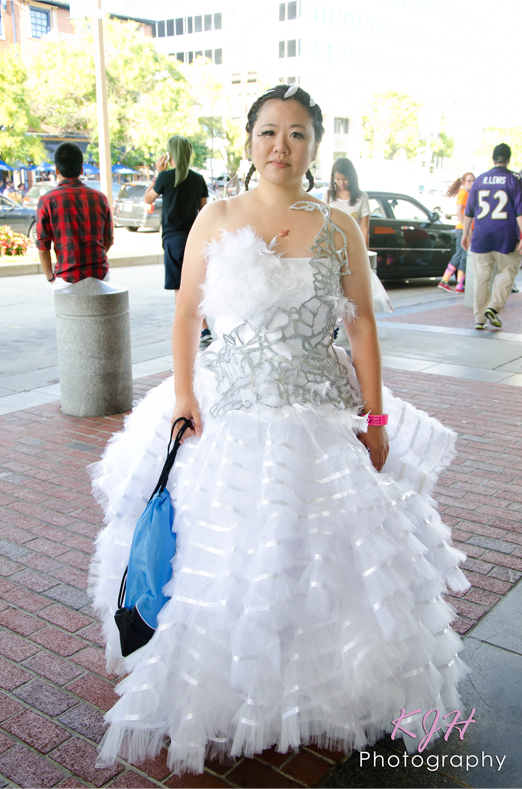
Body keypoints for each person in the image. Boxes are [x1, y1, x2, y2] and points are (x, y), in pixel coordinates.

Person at [90, 85, 469, 775]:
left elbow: (361, 325)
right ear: (248, 141)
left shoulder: (338, 225)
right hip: (228, 411)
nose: (281, 146)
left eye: (297, 133)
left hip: (318, 412)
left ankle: (326, 689)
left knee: (320, 553)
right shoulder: (216, 215)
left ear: (315, 146)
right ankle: (232, 692)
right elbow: (187, 314)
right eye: (269, 131)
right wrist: (183, 393)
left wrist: (376, 417)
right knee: (227, 554)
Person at [144, 135, 210, 347]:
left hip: (173, 240)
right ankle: (204, 328)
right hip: (193, 239)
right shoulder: (198, 179)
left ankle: (186, 330)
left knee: (179, 288)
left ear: (169, 155)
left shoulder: (165, 178)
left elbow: (147, 198)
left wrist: (157, 173)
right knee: (195, 285)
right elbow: (203, 211)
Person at [35, 142, 113, 288]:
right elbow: (107, 240)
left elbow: (43, 247)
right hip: (100, 276)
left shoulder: (46, 201)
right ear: (82, 170)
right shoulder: (100, 198)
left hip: (66, 279)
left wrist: (50, 278)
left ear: (56, 170)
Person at [462, 143, 522, 330]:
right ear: (509, 159)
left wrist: (465, 233)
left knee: (482, 277)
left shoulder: (479, 180)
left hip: (481, 236)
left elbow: (469, 211)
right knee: (509, 269)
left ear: (493, 159)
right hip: (506, 236)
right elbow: (520, 211)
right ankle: (494, 307)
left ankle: (479, 319)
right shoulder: (514, 179)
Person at [438, 172, 475, 293]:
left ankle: (456, 284)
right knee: (462, 255)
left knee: (461, 255)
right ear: (463, 182)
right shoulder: (464, 193)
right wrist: (466, 228)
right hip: (463, 229)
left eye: (473, 180)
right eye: (469, 181)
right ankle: (450, 282)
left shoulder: (467, 193)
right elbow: (459, 211)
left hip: (464, 228)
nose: (472, 183)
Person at [324, 157, 370, 248]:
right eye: (338, 179)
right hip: (332, 246)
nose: (341, 183)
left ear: (351, 177)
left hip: (354, 246)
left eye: (345, 179)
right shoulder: (328, 195)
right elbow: (321, 223)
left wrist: (365, 252)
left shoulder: (362, 197)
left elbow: (364, 229)